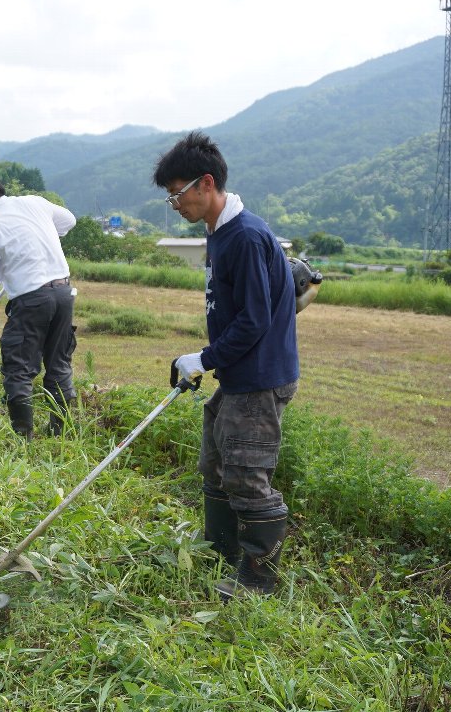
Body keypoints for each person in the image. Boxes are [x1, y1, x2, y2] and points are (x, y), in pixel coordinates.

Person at [153, 131, 298, 600]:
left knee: (244, 470)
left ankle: (258, 578)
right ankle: (221, 548)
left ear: (206, 183)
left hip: (260, 378)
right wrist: (207, 360)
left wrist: (205, 358)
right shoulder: (218, 234)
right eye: (170, 197)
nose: (175, 204)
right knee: (215, 459)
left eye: (178, 193)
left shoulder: (247, 237)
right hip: (238, 375)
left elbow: (255, 321)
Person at [0, 169, 77, 439]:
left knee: (19, 367)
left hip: (32, 299)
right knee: (58, 363)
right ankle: (60, 433)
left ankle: (23, 438)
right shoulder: (34, 202)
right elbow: (69, 220)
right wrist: (41, 233)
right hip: (63, 292)